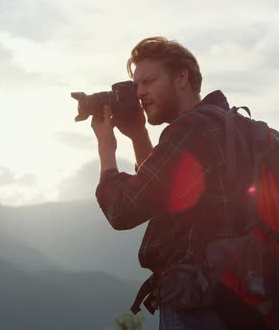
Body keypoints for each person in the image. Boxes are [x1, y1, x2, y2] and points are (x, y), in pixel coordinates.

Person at [91, 36, 254, 330]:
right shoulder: (227, 123)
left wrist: (106, 149)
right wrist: (139, 136)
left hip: (198, 305)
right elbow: (162, 196)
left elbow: (123, 210)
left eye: (149, 81)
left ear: (182, 77)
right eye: (136, 84)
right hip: (235, 299)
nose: (140, 92)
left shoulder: (190, 129)